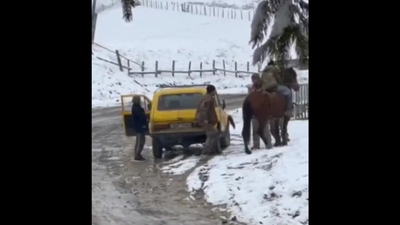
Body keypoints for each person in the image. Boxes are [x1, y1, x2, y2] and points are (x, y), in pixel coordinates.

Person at [195, 85, 220, 155]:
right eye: (214, 90)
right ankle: (207, 150)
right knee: (212, 134)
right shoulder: (208, 99)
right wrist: (206, 119)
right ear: (212, 91)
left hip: (207, 120)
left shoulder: (206, 97)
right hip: (206, 120)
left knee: (213, 133)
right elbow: (204, 110)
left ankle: (213, 149)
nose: (215, 92)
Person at [131, 96, 148, 161]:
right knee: (140, 141)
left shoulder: (136, 107)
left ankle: (138, 154)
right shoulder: (136, 108)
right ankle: (137, 155)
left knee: (141, 141)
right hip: (139, 127)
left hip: (140, 126)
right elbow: (141, 117)